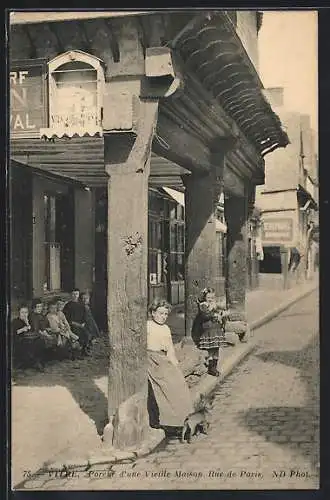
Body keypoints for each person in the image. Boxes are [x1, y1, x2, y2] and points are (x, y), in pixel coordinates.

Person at [147, 299, 194, 439]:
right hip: (150, 359)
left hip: (163, 359)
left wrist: (175, 365)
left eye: (165, 314)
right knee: (163, 387)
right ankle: (165, 422)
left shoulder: (166, 328)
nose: (163, 316)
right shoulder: (147, 326)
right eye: (160, 313)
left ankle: (180, 422)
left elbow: (170, 350)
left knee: (179, 384)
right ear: (152, 313)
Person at [192, 288, 228, 377]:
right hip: (208, 328)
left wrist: (222, 314)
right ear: (205, 297)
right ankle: (211, 367)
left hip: (216, 328)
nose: (210, 299)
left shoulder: (214, 304)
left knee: (216, 348)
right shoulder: (203, 305)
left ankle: (214, 366)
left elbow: (222, 310)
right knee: (211, 349)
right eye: (208, 297)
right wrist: (214, 314)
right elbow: (205, 315)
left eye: (212, 297)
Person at [11, 304, 45, 370]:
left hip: (29, 339)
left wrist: (27, 322)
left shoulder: (29, 321)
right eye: (22, 312)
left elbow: (32, 330)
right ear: (19, 313)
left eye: (26, 312)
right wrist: (22, 329)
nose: (24, 314)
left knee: (40, 341)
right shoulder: (15, 321)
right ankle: (33, 362)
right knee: (29, 343)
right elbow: (13, 333)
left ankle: (37, 361)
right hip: (18, 340)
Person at [63, 288, 90, 355]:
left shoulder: (81, 304)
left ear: (78, 295)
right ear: (71, 295)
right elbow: (66, 317)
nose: (75, 295)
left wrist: (83, 322)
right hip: (72, 324)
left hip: (81, 324)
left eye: (76, 294)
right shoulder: (68, 305)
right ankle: (77, 352)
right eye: (73, 294)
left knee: (86, 334)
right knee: (77, 333)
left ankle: (84, 350)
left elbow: (84, 315)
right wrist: (73, 323)